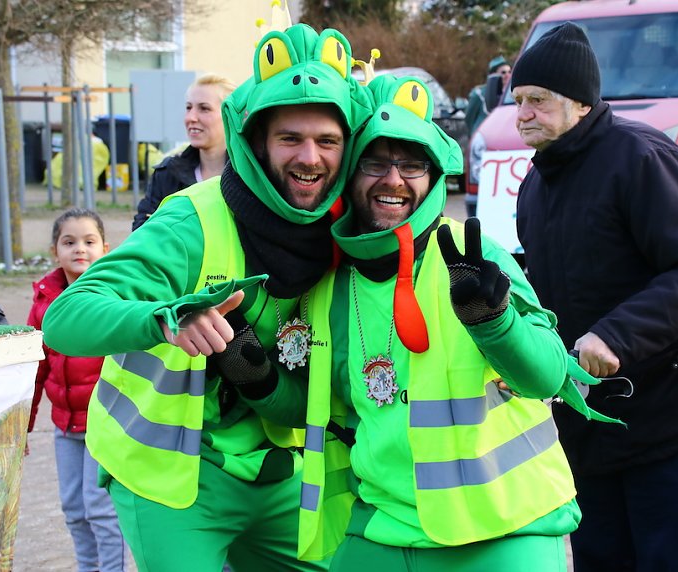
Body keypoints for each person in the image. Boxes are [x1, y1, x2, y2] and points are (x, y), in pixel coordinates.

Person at [226, 74, 616, 571]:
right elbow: (316, 410)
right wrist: (257, 379)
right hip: (383, 532)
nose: (394, 179)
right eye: (375, 163)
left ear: (433, 178)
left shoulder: (473, 255)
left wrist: (495, 323)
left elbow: (544, 377)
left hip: (504, 531)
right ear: (350, 173)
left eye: (412, 164)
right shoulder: (330, 284)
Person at [41, 24, 372, 572]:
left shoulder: (344, 236)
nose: (310, 157)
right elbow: (65, 318)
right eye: (290, 138)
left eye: (328, 141)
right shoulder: (192, 218)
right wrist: (167, 319)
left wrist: (259, 378)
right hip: (172, 477)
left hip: (280, 475)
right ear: (258, 141)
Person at [510, 23, 678, 572]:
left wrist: (616, 333)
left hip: (672, 420)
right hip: (592, 424)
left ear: (580, 103)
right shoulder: (537, 182)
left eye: (538, 101)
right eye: (518, 100)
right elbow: (551, 283)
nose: (522, 113)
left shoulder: (641, 157)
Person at [27, 208, 127, 572]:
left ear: (105, 248)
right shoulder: (43, 302)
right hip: (64, 427)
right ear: (55, 250)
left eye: (89, 241)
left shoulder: (114, 297)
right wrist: (25, 422)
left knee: (99, 507)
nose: (79, 249)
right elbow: (36, 368)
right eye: (69, 242)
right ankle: (88, 567)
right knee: (73, 507)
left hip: (105, 424)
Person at [133, 73, 237, 230]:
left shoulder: (249, 176)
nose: (191, 117)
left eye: (204, 108)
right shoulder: (167, 174)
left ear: (229, 115)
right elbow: (142, 231)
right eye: (188, 108)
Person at [464, 55, 512, 136]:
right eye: (503, 72)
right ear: (493, 75)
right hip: (483, 135)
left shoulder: (512, 94)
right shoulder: (479, 93)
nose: (508, 75)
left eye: (509, 72)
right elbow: (469, 118)